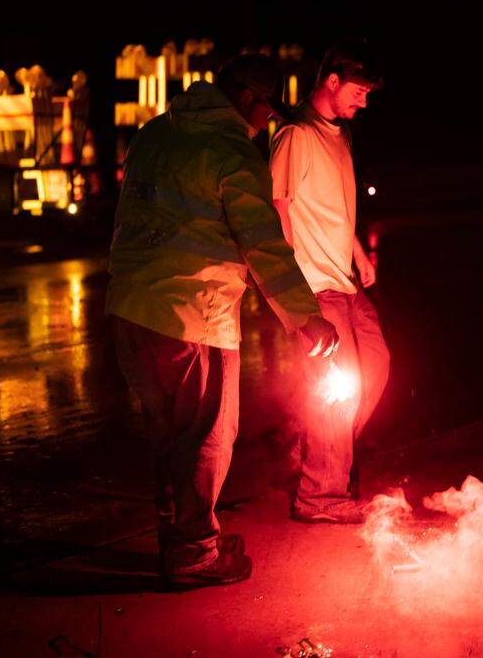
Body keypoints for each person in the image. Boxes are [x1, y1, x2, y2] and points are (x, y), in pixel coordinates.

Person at [106, 54, 340, 588]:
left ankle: (180, 537)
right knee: (208, 435)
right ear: (250, 98)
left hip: (131, 311)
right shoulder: (231, 150)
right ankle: (194, 554)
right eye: (266, 111)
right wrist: (305, 319)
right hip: (194, 316)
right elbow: (263, 246)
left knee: (167, 433)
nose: (265, 125)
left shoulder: (152, 135)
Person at [270, 39, 391, 524]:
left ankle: (321, 454)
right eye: (360, 92)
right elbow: (279, 208)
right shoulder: (295, 135)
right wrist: (290, 285)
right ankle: (320, 494)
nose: (364, 102)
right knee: (338, 388)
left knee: (376, 368)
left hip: (344, 279)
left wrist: (359, 251)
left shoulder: (338, 136)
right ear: (333, 81)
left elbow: (334, 210)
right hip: (315, 284)